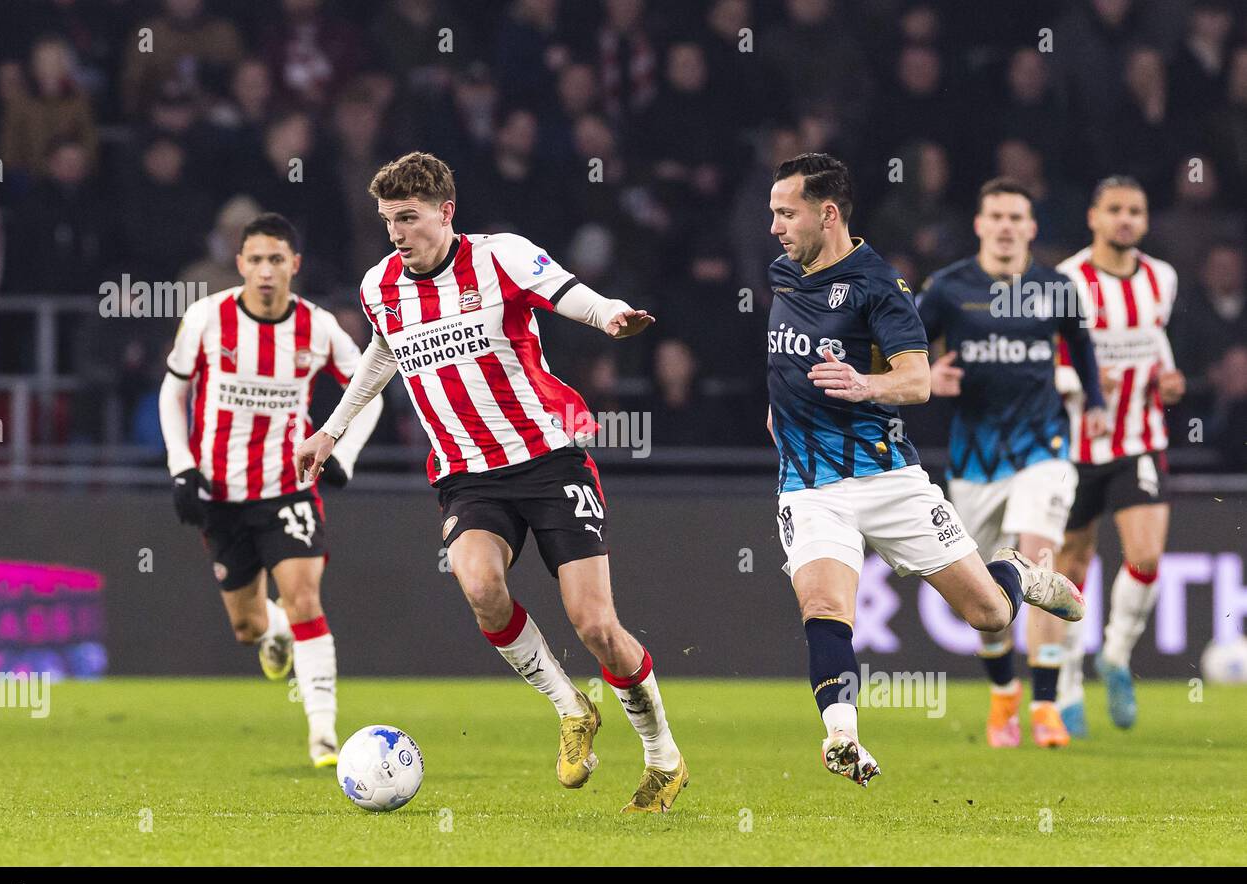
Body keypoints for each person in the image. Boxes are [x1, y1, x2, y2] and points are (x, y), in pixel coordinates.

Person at [294, 151, 687, 813]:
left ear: (446, 213)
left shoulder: (499, 255)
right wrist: (332, 429)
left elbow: (566, 292)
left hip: (549, 458)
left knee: (595, 625)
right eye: (389, 219)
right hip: (467, 475)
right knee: (479, 585)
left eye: (410, 218)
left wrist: (609, 314)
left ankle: (662, 757)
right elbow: (383, 352)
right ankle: (572, 709)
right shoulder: (379, 286)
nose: (397, 232)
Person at [764, 153, 1086, 787]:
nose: (775, 226)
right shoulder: (782, 273)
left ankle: (1016, 572)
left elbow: (917, 380)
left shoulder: (881, 286)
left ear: (827, 215)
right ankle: (843, 736)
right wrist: (778, 408)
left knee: (990, 615)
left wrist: (862, 383)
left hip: (888, 480)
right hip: (809, 485)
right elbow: (786, 354)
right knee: (825, 605)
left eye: (785, 212)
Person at [159, 213, 382, 767]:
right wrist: (182, 467)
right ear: (239, 264)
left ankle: (323, 735)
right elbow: (172, 395)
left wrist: (342, 453)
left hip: (289, 488)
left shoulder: (318, 326)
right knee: (247, 627)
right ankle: (274, 627)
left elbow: (372, 390)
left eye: (276, 260)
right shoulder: (207, 318)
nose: (264, 271)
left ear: (294, 266)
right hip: (220, 493)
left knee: (306, 597)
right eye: (255, 259)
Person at [918, 178, 1107, 748]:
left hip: (1043, 449)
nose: (1005, 226)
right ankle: (1004, 696)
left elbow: (1083, 347)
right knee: (983, 595)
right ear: (979, 224)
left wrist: (1094, 403)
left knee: (1035, 557)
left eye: (1015, 217)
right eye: (995, 215)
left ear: (1031, 226)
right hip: (974, 461)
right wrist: (928, 375)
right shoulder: (948, 289)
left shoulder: (1057, 288)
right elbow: (902, 349)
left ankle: (1045, 704)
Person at [1054, 176, 1186, 735]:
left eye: (1135, 210)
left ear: (1146, 220)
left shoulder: (1163, 278)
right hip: (1075, 445)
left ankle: (1115, 656)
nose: (1125, 219)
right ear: (1094, 217)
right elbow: (1042, 359)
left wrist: (1170, 379)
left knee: (1148, 554)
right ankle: (1063, 684)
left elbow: (1153, 338)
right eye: (1115, 210)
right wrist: (1080, 378)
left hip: (1140, 438)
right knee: (1070, 569)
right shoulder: (1068, 281)